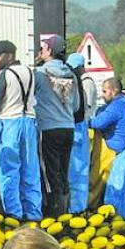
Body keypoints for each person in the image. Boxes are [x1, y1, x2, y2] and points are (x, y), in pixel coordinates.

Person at [0, 39, 42, 221]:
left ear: (9, 56)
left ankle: (13, 214)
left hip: (8, 123)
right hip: (29, 122)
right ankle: (33, 214)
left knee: (8, 171)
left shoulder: (5, 74)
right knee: (30, 170)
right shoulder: (30, 72)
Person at [33, 34, 80, 217]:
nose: (41, 51)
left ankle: (54, 215)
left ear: (50, 51)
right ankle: (66, 211)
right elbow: (76, 106)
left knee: (49, 173)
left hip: (48, 128)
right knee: (63, 170)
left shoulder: (39, 74)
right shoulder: (72, 76)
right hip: (68, 128)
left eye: (43, 48)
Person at [89, 77, 125, 207]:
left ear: (114, 91)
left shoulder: (116, 107)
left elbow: (98, 123)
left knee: (97, 179)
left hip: (110, 147)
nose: (102, 95)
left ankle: (90, 207)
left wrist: (82, 121)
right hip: (122, 147)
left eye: (104, 92)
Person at [64, 52, 93, 214]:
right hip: (77, 128)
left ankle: (78, 209)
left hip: (81, 127)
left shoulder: (85, 83)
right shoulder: (78, 80)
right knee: (73, 170)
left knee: (78, 170)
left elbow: (82, 107)